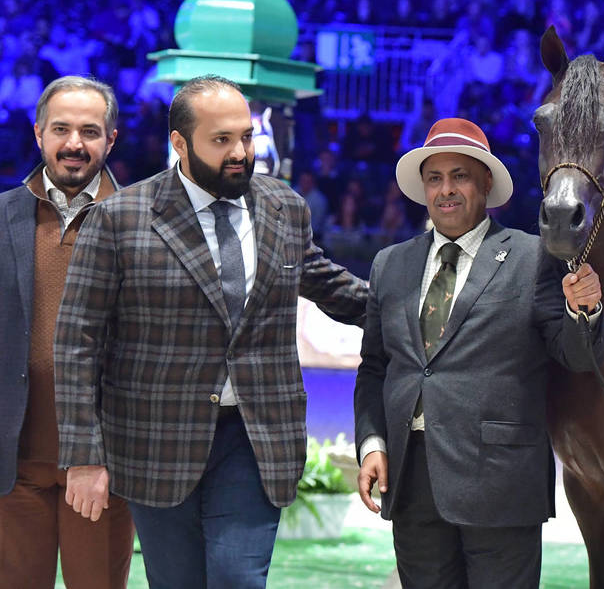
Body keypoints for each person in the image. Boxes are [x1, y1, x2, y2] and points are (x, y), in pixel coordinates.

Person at [53, 75, 368, 588]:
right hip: (155, 440)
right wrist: (84, 457)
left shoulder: (284, 206)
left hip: (256, 436)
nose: (240, 152)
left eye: (245, 136)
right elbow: (77, 343)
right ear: (180, 143)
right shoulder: (117, 219)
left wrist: (418, 309)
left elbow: (329, 284)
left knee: (237, 578)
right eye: (221, 140)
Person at [354, 118, 604, 588]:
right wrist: (373, 443)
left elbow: (576, 358)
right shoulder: (390, 264)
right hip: (411, 481)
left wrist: (584, 311)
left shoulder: (535, 257)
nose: (446, 189)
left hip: (500, 484)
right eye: (435, 178)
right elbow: (374, 368)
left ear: (486, 183)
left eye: (460, 176)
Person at [0, 76, 134, 587]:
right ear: (38, 133)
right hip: (13, 463)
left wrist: (103, 456)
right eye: (61, 129)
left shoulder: (143, 222)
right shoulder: (2, 217)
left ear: (111, 139)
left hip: (103, 463)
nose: (74, 143)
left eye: (89, 131)